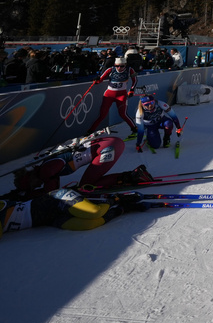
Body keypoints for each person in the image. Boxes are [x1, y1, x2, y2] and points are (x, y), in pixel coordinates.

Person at [10, 135, 146, 195]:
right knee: (86, 183)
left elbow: (50, 192)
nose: (37, 186)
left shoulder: (46, 171)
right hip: (109, 143)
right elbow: (53, 188)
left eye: (32, 186)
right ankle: (133, 175)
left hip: (108, 147)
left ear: (31, 179)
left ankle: (134, 176)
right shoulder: (45, 168)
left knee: (86, 186)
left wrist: (28, 195)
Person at [0, 188, 146, 236]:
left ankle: (117, 199)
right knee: (90, 224)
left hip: (55, 200)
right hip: (48, 220)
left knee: (94, 212)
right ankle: (122, 209)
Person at [88, 57, 139, 135]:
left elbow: (135, 80)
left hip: (121, 95)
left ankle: (134, 129)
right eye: (117, 66)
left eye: (122, 66)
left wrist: (132, 90)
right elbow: (100, 79)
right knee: (102, 115)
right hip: (109, 94)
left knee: (123, 114)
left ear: (125, 65)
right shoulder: (110, 69)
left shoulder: (130, 70)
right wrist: (96, 80)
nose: (119, 68)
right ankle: (90, 131)